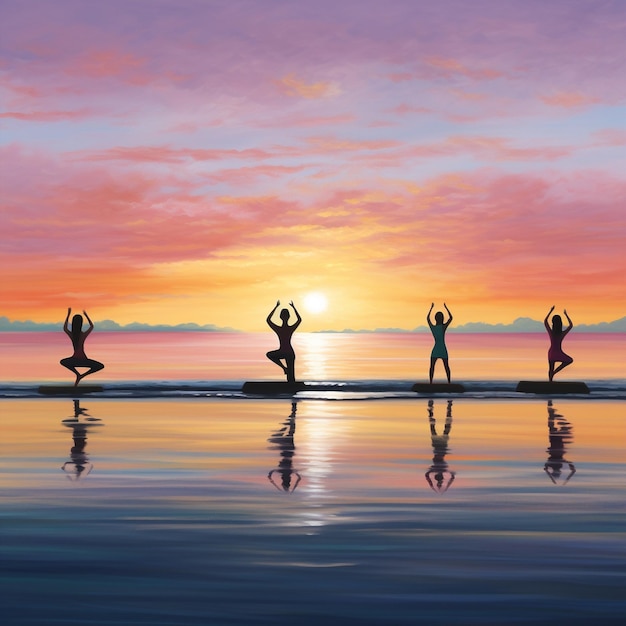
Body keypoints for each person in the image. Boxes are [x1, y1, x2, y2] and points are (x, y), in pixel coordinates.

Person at [60, 308, 104, 386]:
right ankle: (81, 375)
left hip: (75, 360)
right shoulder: (82, 335)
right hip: (83, 359)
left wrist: (68, 314)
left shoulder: (72, 335)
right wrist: (86, 315)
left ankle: (78, 375)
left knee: (63, 362)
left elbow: (65, 328)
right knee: (100, 366)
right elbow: (91, 326)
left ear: (73, 324)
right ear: (81, 324)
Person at [266, 301, 301, 383]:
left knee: (290, 378)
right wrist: (293, 308)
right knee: (291, 378)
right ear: (288, 317)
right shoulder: (289, 328)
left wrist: (276, 307)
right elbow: (299, 320)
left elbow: (268, 320)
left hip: (285, 353)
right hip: (289, 353)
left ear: (280, 317)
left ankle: (284, 368)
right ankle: (285, 369)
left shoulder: (279, 329)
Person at [544, 306, 573, 381]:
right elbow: (571, 325)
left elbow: (545, 322)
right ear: (560, 323)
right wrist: (566, 315)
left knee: (550, 368)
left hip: (551, 353)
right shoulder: (562, 334)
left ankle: (550, 381)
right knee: (569, 360)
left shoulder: (551, 333)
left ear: (553, 323)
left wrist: (550, 311)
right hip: (558, 352)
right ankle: (555, 372)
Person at [427, 302, 453, 383]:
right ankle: (449, 382)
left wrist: (431, 308)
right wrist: (446, 308)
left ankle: (431, 382)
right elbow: (451, 318)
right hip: (442, 348)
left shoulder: (433, 327)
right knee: (446, 366)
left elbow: (427, 318)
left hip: (436, 349)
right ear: (442, 319)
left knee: (432, 366)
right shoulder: (443, 327)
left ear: (436, 319)